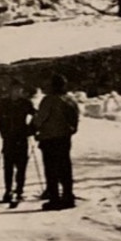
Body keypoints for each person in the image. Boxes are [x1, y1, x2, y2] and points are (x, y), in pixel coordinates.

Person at [33, 73, 81, 210]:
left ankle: (54, 199)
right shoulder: (70, 100)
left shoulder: (49, 100)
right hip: (65, 139)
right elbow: (75, 121)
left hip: (49, 140)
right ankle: (68, 197)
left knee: (51, 170)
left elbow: (39, 119)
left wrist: (31, 129)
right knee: (65, 168)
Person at [0, 80, 37, 205]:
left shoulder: (26, 103)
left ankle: (19, 190)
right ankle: (8, 190)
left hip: (21, 137)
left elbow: (36, 115)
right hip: (8, 138)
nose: (17, 92)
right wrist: (3, 133)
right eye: (14, 89)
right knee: (8, 165)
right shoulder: (5, 103)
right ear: (10, 90)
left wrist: (31, 129)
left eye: (19, 89)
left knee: (21, 165)